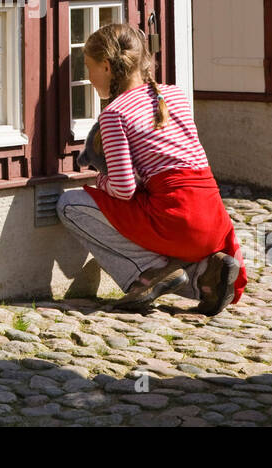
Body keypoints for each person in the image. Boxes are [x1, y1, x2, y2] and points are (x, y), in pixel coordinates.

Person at [57, 22, 246, 314]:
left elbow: (123, 190)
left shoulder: (115, 113)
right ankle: (206, 276)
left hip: (176, 219)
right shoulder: (173, 96)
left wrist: (100, 183)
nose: (88, 76)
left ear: (107, 67)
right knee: (148, 210)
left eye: (88, 66)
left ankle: (146, 274)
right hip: (214, 221)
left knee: (69, 204)